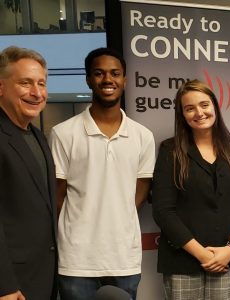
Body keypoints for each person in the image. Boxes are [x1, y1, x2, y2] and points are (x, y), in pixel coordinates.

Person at [49, 47, 155, 300]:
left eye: (115, 73)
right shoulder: (63, 133)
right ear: (88, 79)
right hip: (76, 260)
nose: (108, 80)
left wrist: (116, 215)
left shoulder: (143, 136)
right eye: (99, 73)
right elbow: (57, 195)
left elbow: (141, 189)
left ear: (125, 80)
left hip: (123, 258)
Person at [152, 79, 230, 300]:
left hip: (226, 258)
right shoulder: (170, 151)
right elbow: (163, 211)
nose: (199, 112)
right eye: (190, 108)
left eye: (204, 105)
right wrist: (202, 254)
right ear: (182, 115)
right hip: (183, 259)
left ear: (215, 106)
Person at [0, 46, 57, 300]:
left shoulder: (37, 135)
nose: (36, 93)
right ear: (1, 87)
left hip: (41, 276)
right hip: (12, 284)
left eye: (41, 83)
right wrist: (5, 286)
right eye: (25, 83)